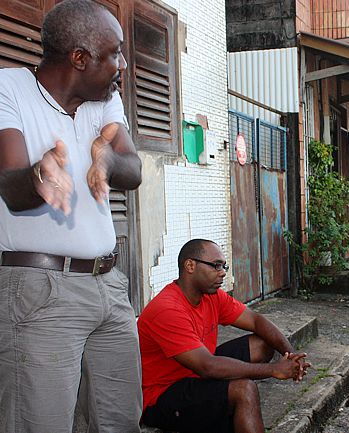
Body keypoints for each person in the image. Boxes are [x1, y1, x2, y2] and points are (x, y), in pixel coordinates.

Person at [0, 1, 143, 431]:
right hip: (40, 294)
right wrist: (40, 176)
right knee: (39, 424)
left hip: (110, 287)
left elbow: (132, 170)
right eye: (114, 53)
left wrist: (106, 165)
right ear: (80, 58)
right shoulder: (10, 88)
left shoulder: (104, 99)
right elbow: (10, 184)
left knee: (121, 421)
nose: (122, 65)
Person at [138, 239, 310, 433]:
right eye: (216, 265)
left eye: (224, 266)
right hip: (162, 396)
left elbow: (255, 320)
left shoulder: (211, 296)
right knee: (244, 390)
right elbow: (208, 366)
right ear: (190, 265)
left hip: (195, 373)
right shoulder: (168, 309)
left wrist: (292, 355)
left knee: (263, 344)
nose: (222, 272)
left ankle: (227, 410)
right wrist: (273, 370)